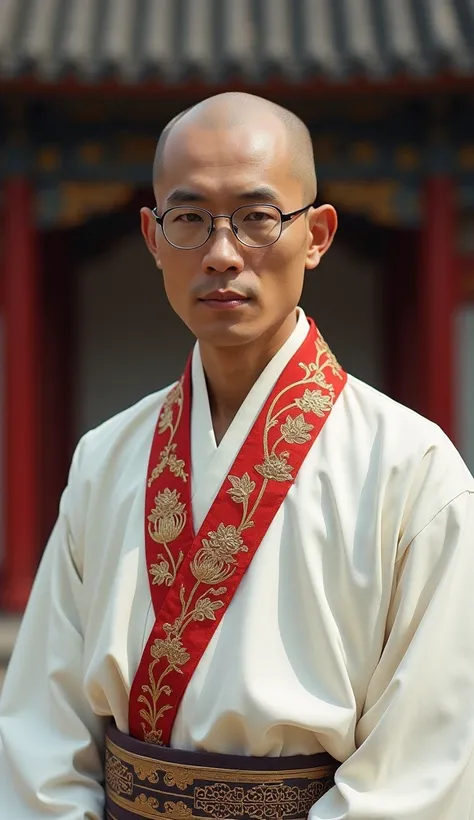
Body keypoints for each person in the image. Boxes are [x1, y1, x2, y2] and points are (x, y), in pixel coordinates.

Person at [1, 92, 473, 820]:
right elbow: (41, 738)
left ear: (317, 234)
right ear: (153, 237)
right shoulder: (105, 459)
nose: (221, 254)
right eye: (189, 218)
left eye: (257, 218)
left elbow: (422, 769)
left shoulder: (413, 470)